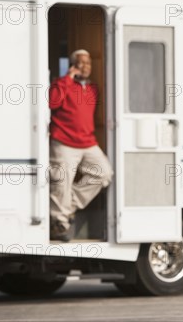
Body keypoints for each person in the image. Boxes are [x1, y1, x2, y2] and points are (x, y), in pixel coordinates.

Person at [49, 49, 113, 242]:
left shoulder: (93, 88)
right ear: (73, 65)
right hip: (63, 141)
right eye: (81, 63)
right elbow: (52, 102)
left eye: (88, 63)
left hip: (87, 141)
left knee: (104, 173)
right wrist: (68, 78)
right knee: (61, 183)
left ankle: (67, 207)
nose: (86, 66)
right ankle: (58, 224)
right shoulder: (62, 84)